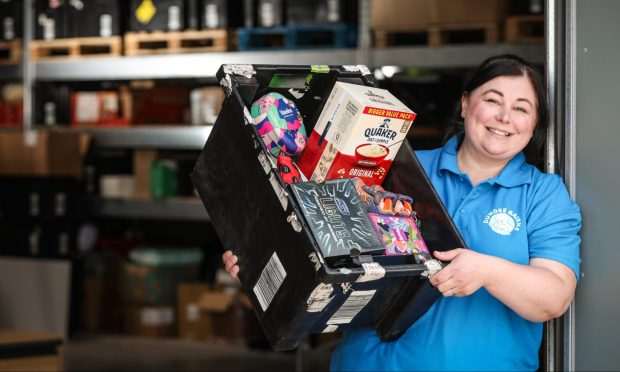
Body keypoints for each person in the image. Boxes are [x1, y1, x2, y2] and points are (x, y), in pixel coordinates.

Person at [222, 54, 581, 371]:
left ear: (534, 124)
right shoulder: (396, 168)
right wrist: (263, 256)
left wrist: (486, 270)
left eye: (521, 108)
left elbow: (554, 298)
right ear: (465, 104)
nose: (505, 117)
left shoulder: (543, 195)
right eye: (492, 100)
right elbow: (326, 251)